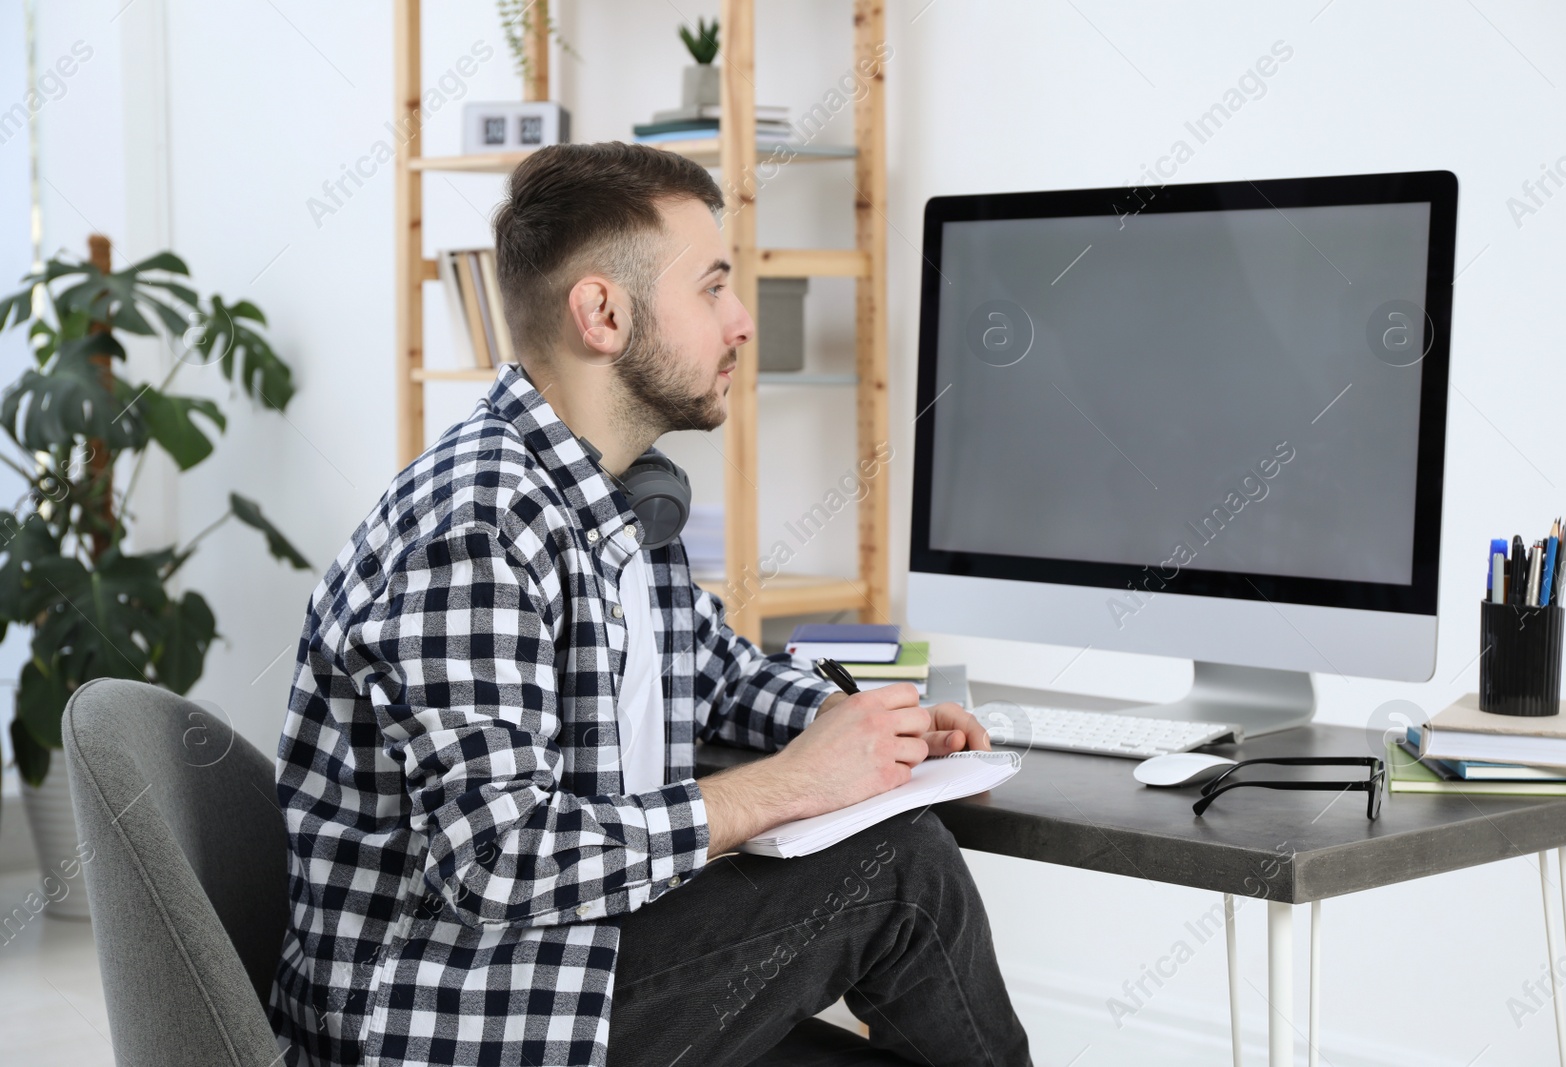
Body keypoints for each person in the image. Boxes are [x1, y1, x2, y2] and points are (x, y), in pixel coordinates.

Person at [268, 141, 1033, 1067]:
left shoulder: (616, 501)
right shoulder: (475, 527)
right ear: (603, 312)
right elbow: (500, 857)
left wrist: (862, 722)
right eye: (712, 287)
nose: (741, 321)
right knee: (901, 872)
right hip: (452, 1018)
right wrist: (798, 782)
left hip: (570, 968)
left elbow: (713, 677)